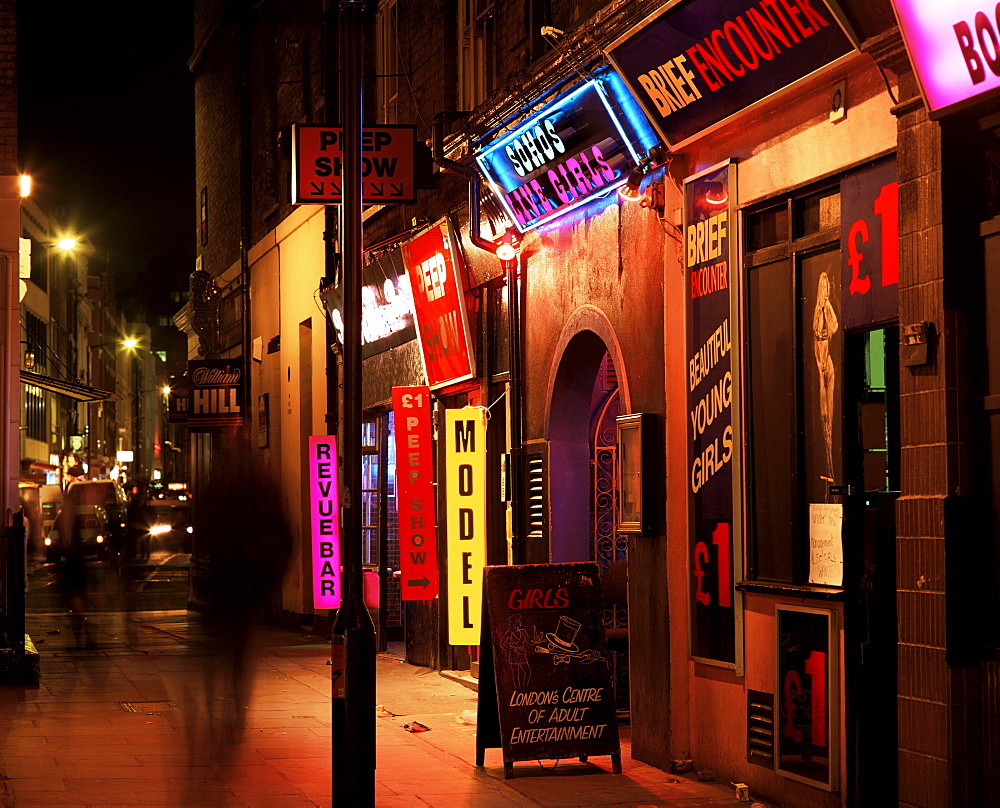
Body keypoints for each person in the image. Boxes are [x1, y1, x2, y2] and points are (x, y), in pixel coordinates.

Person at [191, 425, 293, 761]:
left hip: (226, 573)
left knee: (218, 644)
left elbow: (203, 525)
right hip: (250, 577)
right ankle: (236, 709)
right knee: (240, 647)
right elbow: (284, 532)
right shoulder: (263, 484)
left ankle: (214, 708)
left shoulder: (219, 483)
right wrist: (273, 580)